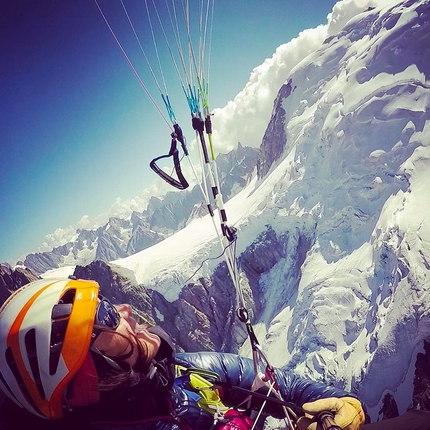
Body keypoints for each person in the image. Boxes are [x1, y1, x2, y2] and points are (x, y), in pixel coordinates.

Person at [0, 278, 366, 430]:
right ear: (90, 373)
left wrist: (334, 402)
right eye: (105, 314)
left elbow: (277, 383)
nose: (125, 310)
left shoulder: (183, 372)